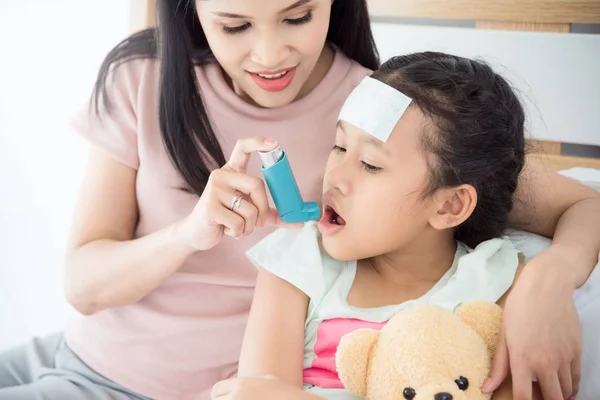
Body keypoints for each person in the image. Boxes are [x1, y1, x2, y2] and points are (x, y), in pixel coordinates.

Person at [0, 0, 597, 399]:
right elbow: (83, 284)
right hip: (77, 357)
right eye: (235, 25)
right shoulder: (143, 77)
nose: (269, 56)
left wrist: (546, 283)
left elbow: (577, 203)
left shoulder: (380, 115)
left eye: (298, 16)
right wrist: (188, 233)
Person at [209, 52, 581, 400]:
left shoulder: (493, 281)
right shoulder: (299, 262)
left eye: (370, 164)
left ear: (450, 204)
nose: (335, 177)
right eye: (338, 147)